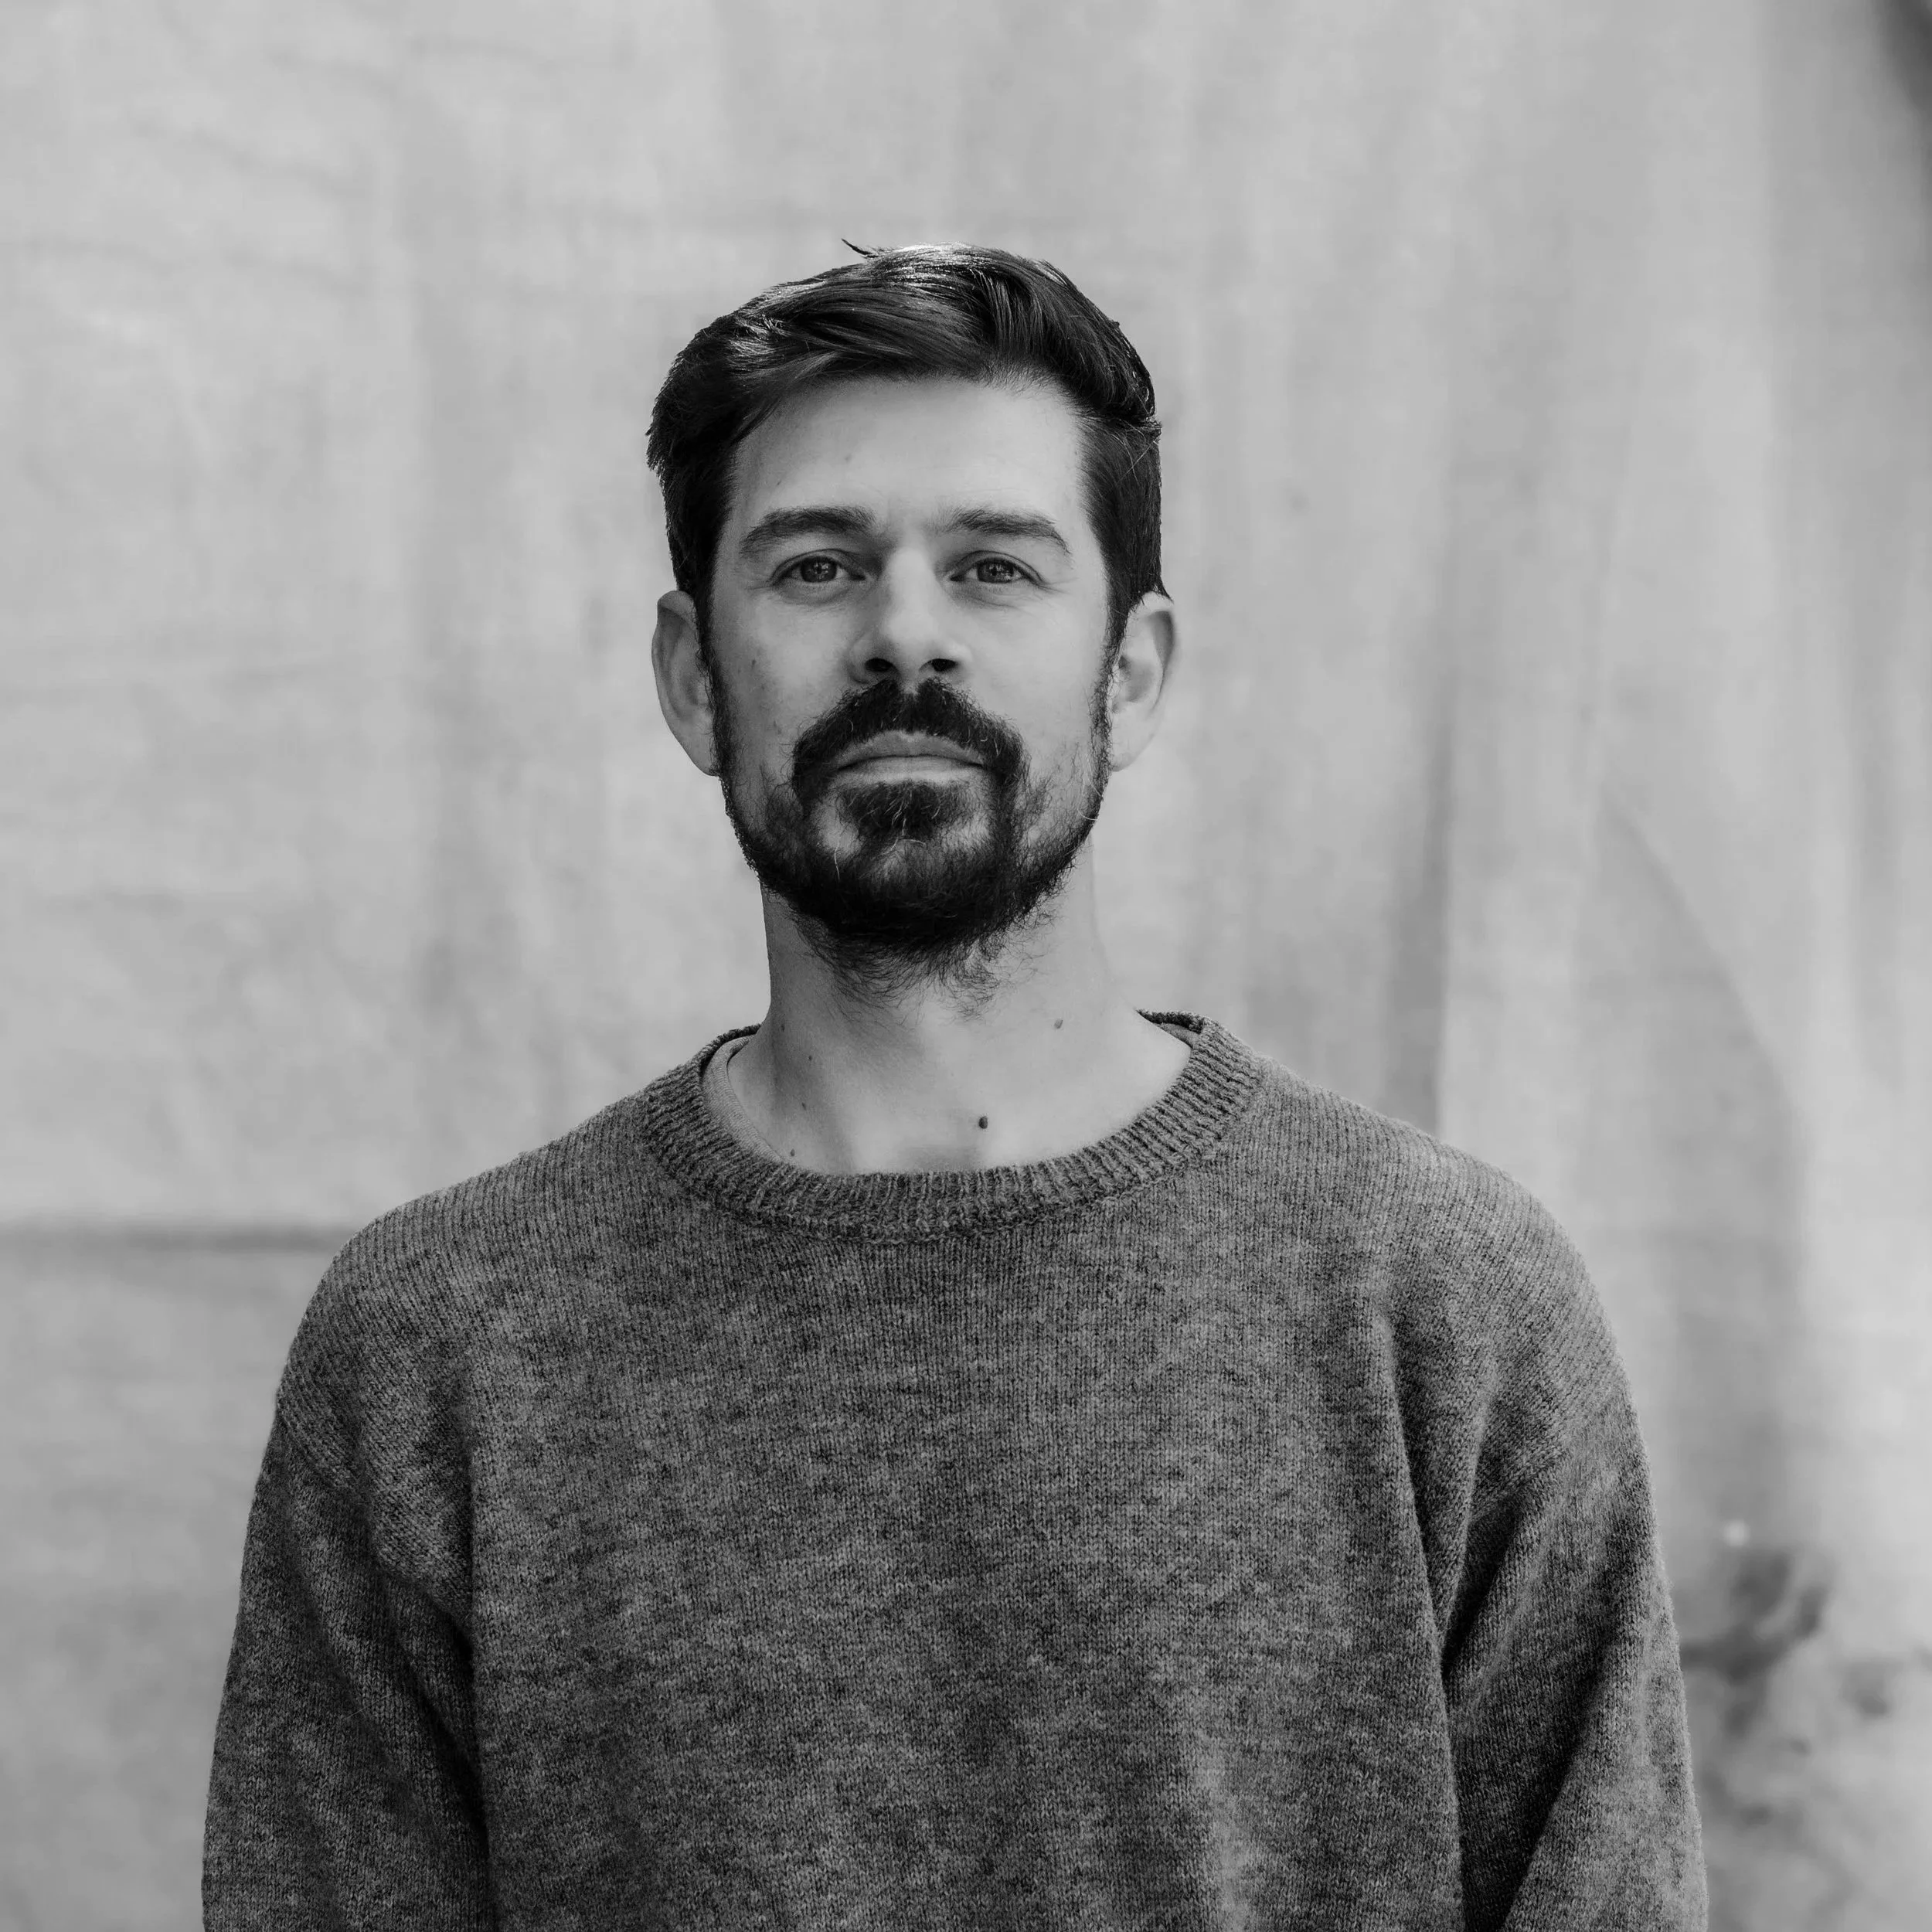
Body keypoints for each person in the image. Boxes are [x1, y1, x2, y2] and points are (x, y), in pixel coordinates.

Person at [203, 244, 1706, 1929]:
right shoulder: (436, 1340)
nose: (900, 635)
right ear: (694, 674)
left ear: (1127, 669)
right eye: (818, 565)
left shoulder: (1440, 1299)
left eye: (992, 568)